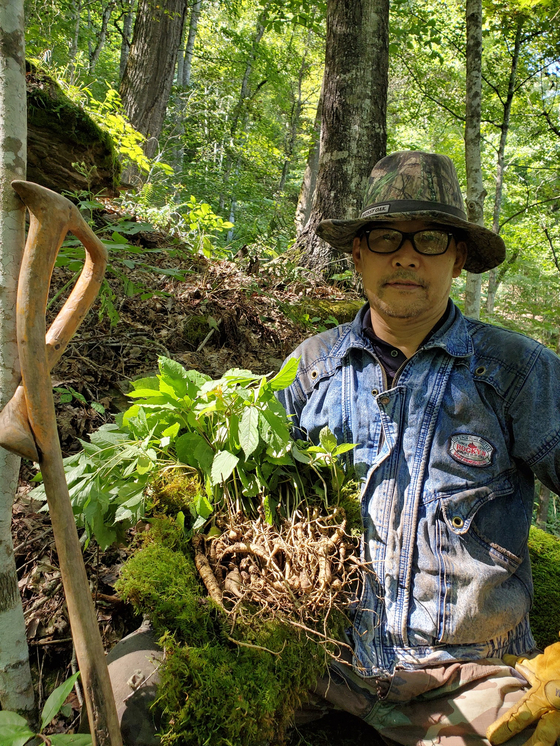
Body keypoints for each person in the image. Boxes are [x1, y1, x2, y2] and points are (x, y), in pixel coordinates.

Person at [276, 151, 560, 746]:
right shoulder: (310, 369)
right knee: (141, 687)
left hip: (469, 680)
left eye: (430, 238)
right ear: (358, 254)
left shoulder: (515, 371)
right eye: (384, 237)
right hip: (318, 662)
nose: (405, 254)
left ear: (457, 257)